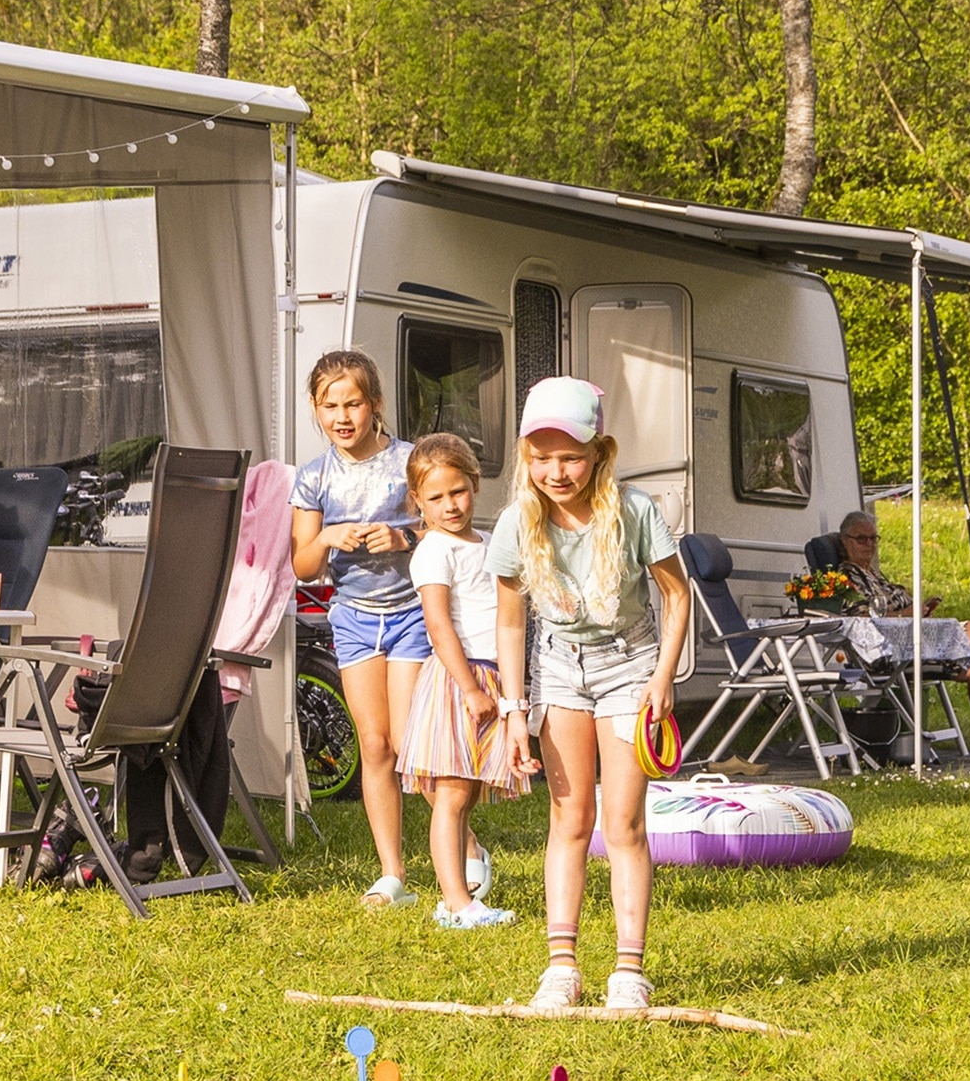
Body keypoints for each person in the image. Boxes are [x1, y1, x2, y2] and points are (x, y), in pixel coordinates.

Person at [491, 377, 689, 1011]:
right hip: (556, 670)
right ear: (526, 456)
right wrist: (514, 708)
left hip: (630, 667)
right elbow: (510, 620)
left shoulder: (633, 511)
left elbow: (677, 594)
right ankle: (562, 966)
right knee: (569, 819)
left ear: (600, 451)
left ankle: (628, 969)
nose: (557, 470)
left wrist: (664, 676)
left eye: (571, 455)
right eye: (542, 456)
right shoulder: (518, 522)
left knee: (624, 823)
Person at [291, 350, 433, 909]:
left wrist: (405, 539)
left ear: (375, 404)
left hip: (411, 614)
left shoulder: (410, 462)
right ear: (315, 408)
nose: (342, 416)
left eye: (353, 403)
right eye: (330, 405)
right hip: (353, 620)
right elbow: (302, 564)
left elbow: (447, 527)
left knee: (409, 743)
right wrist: (328, 538)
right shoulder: (313, 477)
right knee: (373, 745)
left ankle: (464, 847)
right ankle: (392, 874)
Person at [399, 432, 522, 928]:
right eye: (436, 498)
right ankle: (456, 902)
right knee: (450, 794)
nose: (450, 506)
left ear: (475, 484)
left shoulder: (487, 544)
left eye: (458, 492)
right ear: (418, 503)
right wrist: (469, 688)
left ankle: (459, 893)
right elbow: (438, 623)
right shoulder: (434, 552)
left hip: (488, 674)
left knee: (465, 793)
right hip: (458, 678)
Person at [831, 508, 970, 760]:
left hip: (909, 644)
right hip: (886, 652)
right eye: (862, 539)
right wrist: (908, 614)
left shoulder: (874, 574)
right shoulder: (845, 576)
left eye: (874, 538)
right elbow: (863, 618)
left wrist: (919, 609)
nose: (869, 544)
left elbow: (895, 609)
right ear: (844, 541)